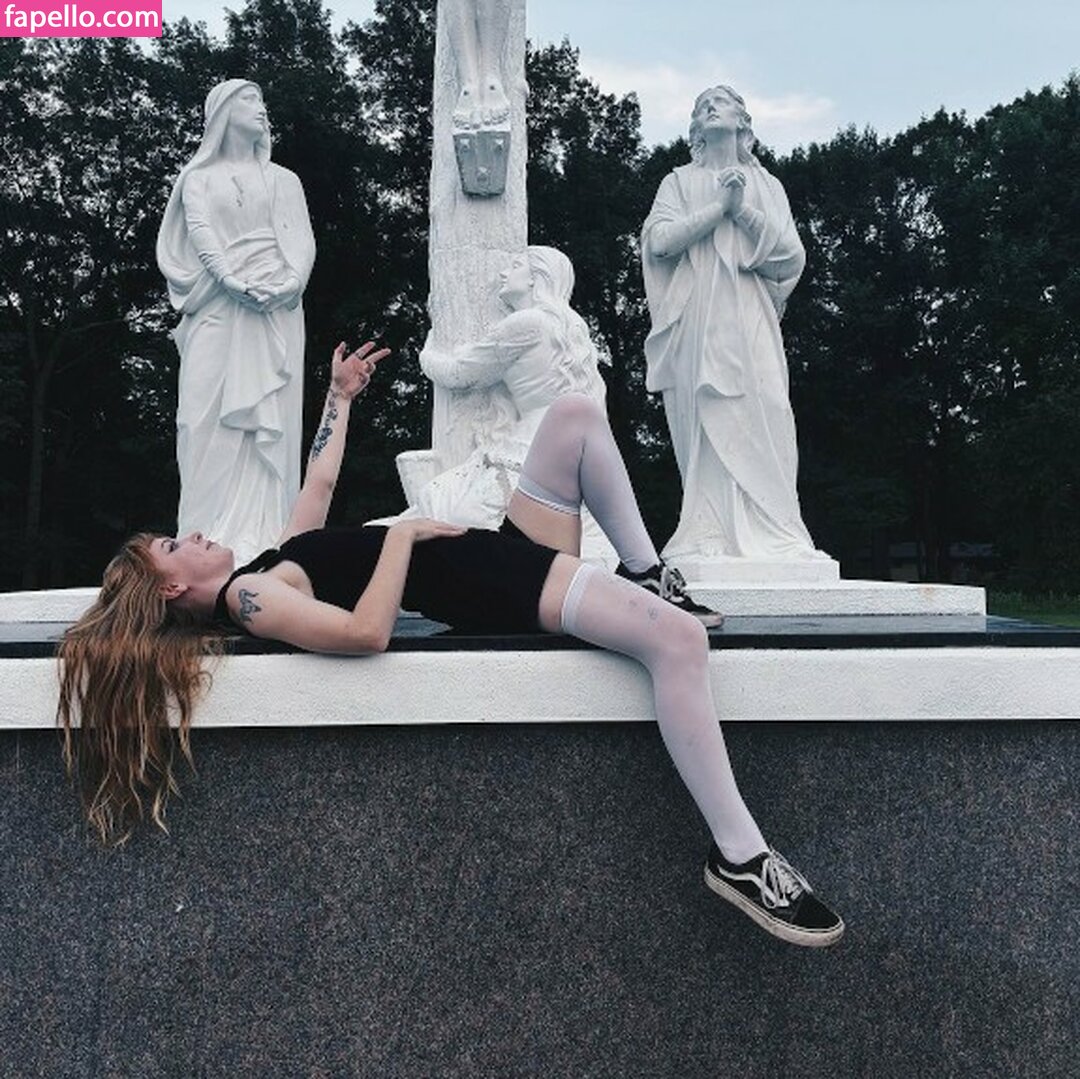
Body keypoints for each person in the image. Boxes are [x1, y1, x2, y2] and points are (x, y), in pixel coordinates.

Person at [58, 340, 844, 948]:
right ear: (171, 588)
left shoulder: (268, 564)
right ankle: (741, 854)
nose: (193, 533)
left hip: (498, 556)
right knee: (676, 643)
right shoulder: (251, 598)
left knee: (575, 416)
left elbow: (320, 483)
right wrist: (400, 536)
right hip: (492, 585)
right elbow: (365, 633)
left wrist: (339, 396)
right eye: (175, 544)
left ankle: (646, 572)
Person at [641, 85, 829, 567]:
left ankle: (780, 530)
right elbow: (659, 243)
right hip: (699, 314)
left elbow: (790, 257)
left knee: (768, 404)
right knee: (707, 416)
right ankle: (707, 531)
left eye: (721, 101)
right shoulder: (678, 182)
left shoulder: (767, 186)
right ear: (695, 128)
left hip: (750, 312)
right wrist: (718, 208)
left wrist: (742, 208)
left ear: (743, 123)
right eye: (702, 104)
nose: (710, 106)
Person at [157, 79, 316, 564]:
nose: (262, 109)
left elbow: (302, 240)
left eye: (263, 100)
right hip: (218, 305)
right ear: (223, 112)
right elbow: (201, 230)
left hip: (276, 308)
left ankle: (264, 539)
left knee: (271, 420)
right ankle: (199, 540)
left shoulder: (285, 180)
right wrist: (228, 279)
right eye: (250, 100)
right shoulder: (198, 178)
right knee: (198, 418)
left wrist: (290, 284)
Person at [395, 245, 607, 530]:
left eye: (516, 266)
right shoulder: (572, 325)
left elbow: (458, 374)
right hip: (572, 447)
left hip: (530, 445)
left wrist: (427, 351)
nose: (503, 273)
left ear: (535, 278)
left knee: (450, 509)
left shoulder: (528, 322)